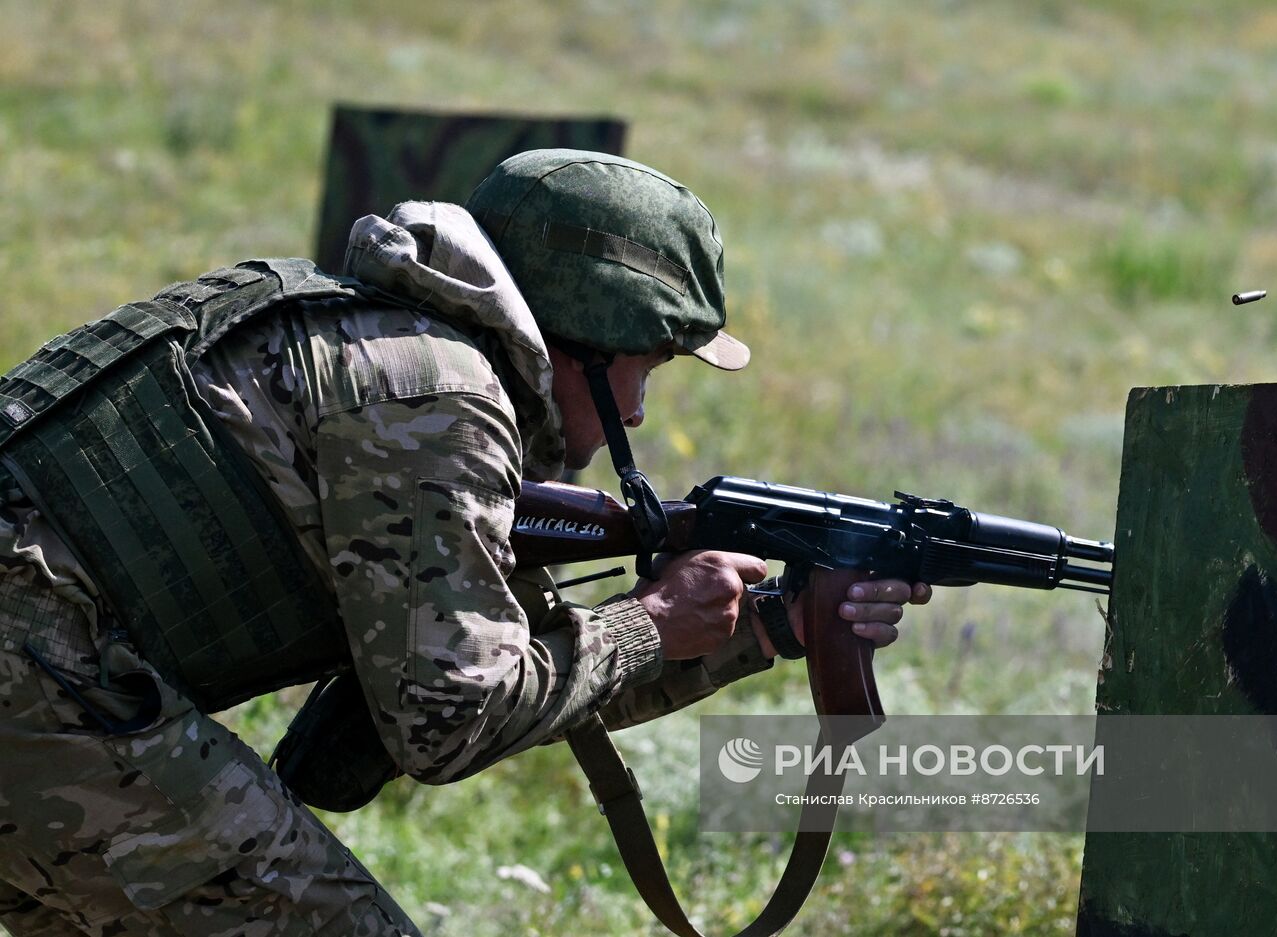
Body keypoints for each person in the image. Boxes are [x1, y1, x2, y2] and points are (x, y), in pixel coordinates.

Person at [0, 150, 929, 935]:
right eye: (647, 368)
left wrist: (770, 624)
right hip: (39, 684)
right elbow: (450, 719)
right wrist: (652, 619)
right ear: (593, 342)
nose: (640, 411)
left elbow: (514, 658)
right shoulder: (434, 399)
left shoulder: (373, 339)